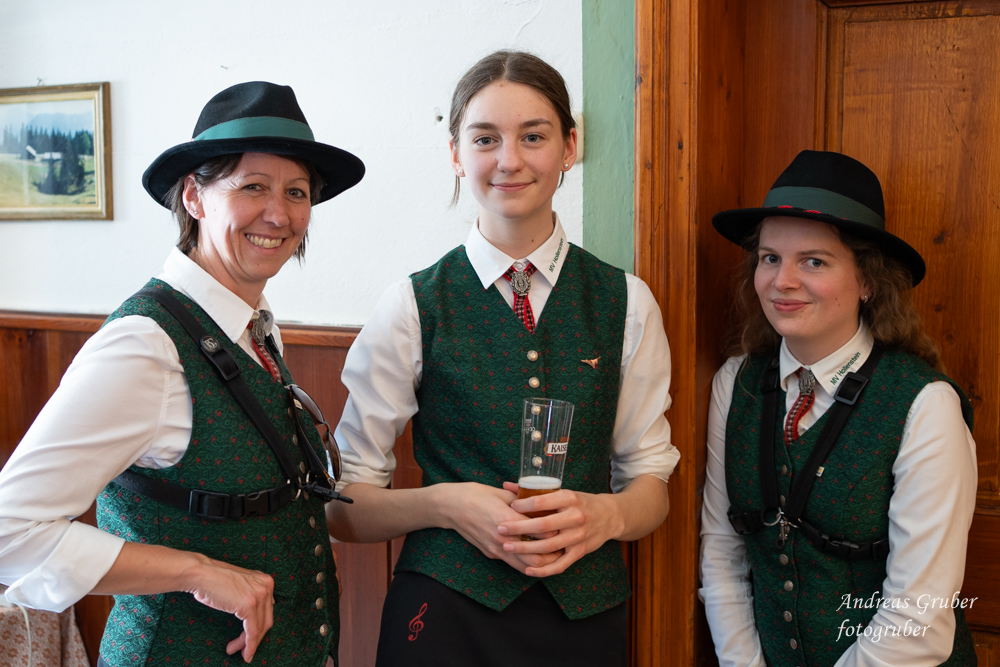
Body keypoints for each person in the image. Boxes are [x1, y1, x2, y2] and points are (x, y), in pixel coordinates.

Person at [326, 50, 679, 667]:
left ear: (569, 147)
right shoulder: (411, 305)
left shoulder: (627, 302)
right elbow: (343, 506)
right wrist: (444, 505)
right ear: (456, 154)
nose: (509, 160)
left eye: (533, 136)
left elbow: (650, 481)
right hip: (442, 616)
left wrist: (605, 514)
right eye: (485, 138)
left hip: (585, 618)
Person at [0, 81, 365, 666]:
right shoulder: (144, 345)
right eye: (253, 186)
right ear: (194, 195)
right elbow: (8, 530)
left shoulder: (252, 325)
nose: (279, 214)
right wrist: (196, 571)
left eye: (296, 192)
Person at [699, 150, 978, 666]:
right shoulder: (734, 384)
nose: (782, 281)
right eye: (770, 258)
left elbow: (918, 621)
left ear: (868, 281)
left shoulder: (926, 406)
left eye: (814, 261)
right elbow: (722, 552)